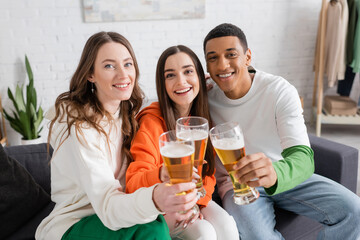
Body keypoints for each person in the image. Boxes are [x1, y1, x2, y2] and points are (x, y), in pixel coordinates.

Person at [35, 32, 199, 240]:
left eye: (128, 64)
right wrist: (155, 199)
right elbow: (108, 207)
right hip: (74, 224)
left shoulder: (127, 114)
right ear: (90, 75)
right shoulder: (79, 127)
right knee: (153, 229)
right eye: (109, 66)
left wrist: (207, 89)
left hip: (118, 215)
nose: (123, 75)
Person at [203, 23, 360, 240]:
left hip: (282, 172)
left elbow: (303, 158)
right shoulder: (203, 98)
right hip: (237, 186)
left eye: (231, 54)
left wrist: (276, 173)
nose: (222, 65)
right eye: (213, 58)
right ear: (207, 66)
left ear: (247, 57)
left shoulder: (279, 91)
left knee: (354, 211)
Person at [126, 45, 239, 240]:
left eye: (188, 71)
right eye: (170, 75)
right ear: (162, 84)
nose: (181, 81)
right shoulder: (151, 121)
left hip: (194, 198)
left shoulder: (201, 120)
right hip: (162, 207)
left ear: (199, 77)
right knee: (205, 233)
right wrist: (161, 175)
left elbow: (208, 173)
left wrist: (198, 201)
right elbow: (133, 183)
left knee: (227, 225)